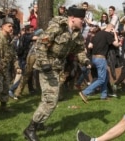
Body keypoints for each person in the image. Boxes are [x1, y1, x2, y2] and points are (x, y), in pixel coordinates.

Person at [23, 6, 91, 141]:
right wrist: (44, 63)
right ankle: (30, 129)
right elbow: (41, 45)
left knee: (48, 99)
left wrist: (85, 61)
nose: (83, 21)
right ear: (72, 18)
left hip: (57, 67)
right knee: (51, 100)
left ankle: (40, 124)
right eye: (81, 19)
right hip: (47, 67)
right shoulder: (58, 27)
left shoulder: (76, 33)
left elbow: (79, 50)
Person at [78, 24, 119, 102]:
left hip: (94, 58)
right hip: (101, 58)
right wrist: (115, 34)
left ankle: (104, 95)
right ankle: (85, 92)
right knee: (101, 79)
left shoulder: (97, 34)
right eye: (113, 30)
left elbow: (90, 46)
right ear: (111, 29)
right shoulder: (108, 34)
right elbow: (116, 44)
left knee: (105, 76)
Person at [0, 17, 20, 111]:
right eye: (9, 26)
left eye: (12, 27)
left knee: (5, 87)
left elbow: (13, 55)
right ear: (2, 27)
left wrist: (17, 66)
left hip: (5, 68)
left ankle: (3, 106)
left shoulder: (10, 39)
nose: (11, 28)